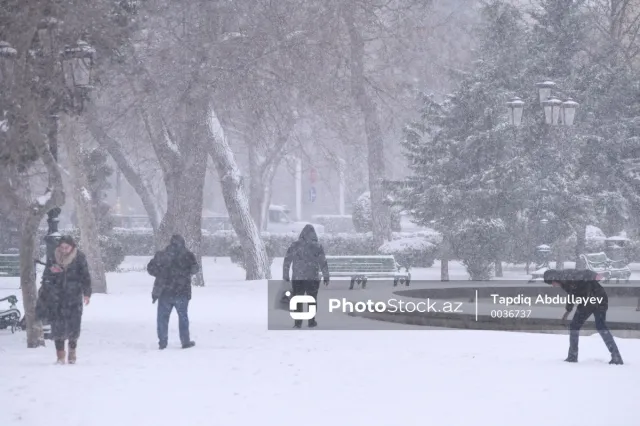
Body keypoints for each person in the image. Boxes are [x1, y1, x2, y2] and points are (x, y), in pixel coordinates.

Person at [543, 269, 623, 365]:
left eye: (551, 282)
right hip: (597, 298)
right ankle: (616, 356)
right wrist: (568, 310)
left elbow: (586, 273)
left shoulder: (567, 275)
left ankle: (573, 356)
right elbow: (572, 294)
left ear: (554, 278)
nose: (553, 285)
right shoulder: (564, 281)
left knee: (576, 327)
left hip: (592, 299)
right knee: (600, 326)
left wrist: (595, 276)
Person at [37, 235, 91, 365]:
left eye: (66, 247)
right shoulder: (53, 257)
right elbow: (46, 277)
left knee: (74, 325)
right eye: (61, 247)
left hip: (74, 296)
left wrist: (87, 293)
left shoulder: (79, 257)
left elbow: (85, 276)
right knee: (57, 326)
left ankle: (72, 352)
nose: (64, 250)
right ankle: (60, 356)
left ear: (72, 247)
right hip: (56, 297)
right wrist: (54, 274)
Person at [147, 234, 198, 349]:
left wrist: (161, 273)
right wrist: (184, 273)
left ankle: (162, 342)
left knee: (162, 318)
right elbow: (195, 268)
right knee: (183, 317)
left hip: (165, 291)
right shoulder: (188, 256)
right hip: (182, 291)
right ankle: (185, 341)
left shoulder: (162, 255)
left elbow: (150, 268)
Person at [283, 224, 330, 328]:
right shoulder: (317, 246)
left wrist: (285, 274)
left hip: (297, 278)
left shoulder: (295, 245)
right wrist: (326, 276)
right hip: (312, 278)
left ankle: (298, 323)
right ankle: (311, 321)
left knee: (297, 300)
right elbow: (323, 262)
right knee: (312, 300)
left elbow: (287, 260)